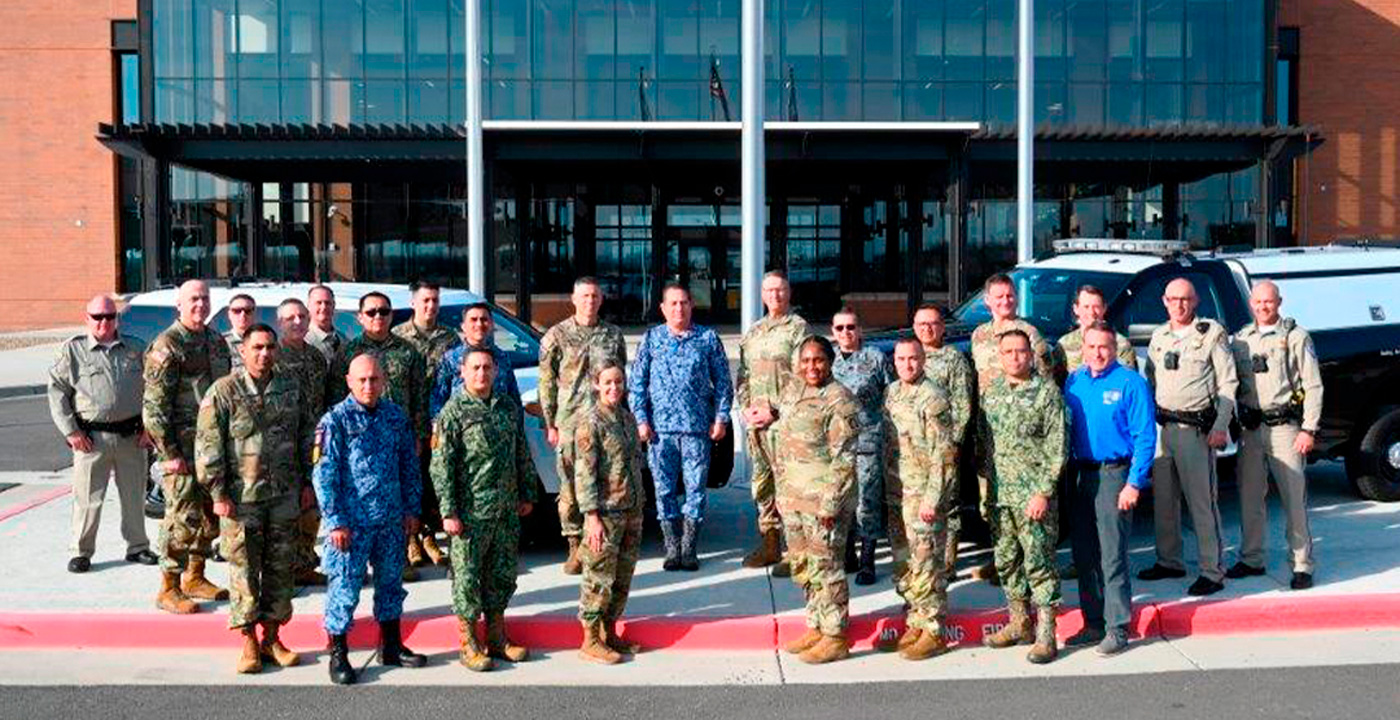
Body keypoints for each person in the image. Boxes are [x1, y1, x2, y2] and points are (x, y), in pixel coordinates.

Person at [195, 324, 315, 674]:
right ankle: (247, 639)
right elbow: (207, 446)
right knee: (244, 570)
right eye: (258, 348)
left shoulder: (291, 387)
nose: (265, 354)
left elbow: (308, 433)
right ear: (243, 351)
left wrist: (309, 480)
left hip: (284, 495)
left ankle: (272, 637)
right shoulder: (223, 391)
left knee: (280, 569)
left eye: (270, 348)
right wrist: (217, 493)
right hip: (240, 499)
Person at [314, 354, 427, 686]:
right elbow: (324, 474)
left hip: (391, 521)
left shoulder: (395, 416)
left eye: (374, 379)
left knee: (391, 585)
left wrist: (411, 509)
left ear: (383, 381)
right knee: (345, 589)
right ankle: (339, 653)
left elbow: (409, 465)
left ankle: (391, 646)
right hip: (351, 526)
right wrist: (335, 521)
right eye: (362, 379)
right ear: (349, 381)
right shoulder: (335, 421)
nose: (368, 385)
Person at [431, 349, 539, 672]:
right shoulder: (452, 413)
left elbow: (521, 450)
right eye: (475, 367)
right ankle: (468, 642)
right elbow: (442, 466)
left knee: (501, 575)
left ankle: (497, 636)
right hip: (470, 514)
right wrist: (448, 512)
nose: (482, 373)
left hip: (504, 509)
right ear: (462, 372)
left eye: (487, 368)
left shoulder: (506, 406)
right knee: (467, 578)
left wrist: (527, 492)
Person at [1139, 278, 1238, 596]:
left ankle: (1213, 570)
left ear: (1195, 302)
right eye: (1172, 299)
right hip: (1165, 429)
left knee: (1201, 502)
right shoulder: (1159, 336)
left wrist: (1220, 425)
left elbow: (1228, 383)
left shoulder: (1210, 334)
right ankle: (1169, 561)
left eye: (1185, 299)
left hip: (1197, 432)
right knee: (1164, 501)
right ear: (1164, 301)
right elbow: (1151, 380)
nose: (1179, 304)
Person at [1064, 322, 1156, 656]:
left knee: (1112, 555)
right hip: (1080, 475)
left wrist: (1134, 483)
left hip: (1114, 476)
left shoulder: (1130, 382)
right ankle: (1092, 623)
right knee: (1085, 555)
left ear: (1114, 349)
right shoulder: (1074, 381)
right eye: (1091, 347)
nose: (1097, 353)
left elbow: (1145, 436)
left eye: (1104, 347)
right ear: (1083, 348)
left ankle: (1117, 627)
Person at [47, 294, 156, 573]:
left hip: (132, 437)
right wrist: (71, 431)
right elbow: (58, 391)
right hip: (91, 440)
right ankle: (81, 551)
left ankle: (138, 546)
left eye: (109, 316)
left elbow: (153, 392)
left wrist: (150, 428)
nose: (104, 322)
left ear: (116, 318)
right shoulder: (74, 351)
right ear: (87, 319)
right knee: (87, 498)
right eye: (97, 317)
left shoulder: (135, 348)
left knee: (134, 496)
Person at [628, 283, 732, 572]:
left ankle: (689, 548)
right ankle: (672, 547)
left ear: (691, 306)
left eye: (684, 303)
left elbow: (723, 381)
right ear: (662, 308)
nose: (679, 308)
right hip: (660, 433)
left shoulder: (708, 338)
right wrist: (641, 419)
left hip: (696, 430)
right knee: (663, 490)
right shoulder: (651, 339)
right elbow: (637, 384)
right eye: (673, 303)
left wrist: (721, 418)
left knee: (695, 489)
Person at [978, 330, 1067, 664]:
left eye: (1020, 351)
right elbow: (985, 446)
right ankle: (1019, 622)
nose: (1014, 357)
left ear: (1031, 354)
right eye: (1008, 352)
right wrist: (987, 493)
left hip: (1033, 497)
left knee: (1039, 564)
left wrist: (1043, 491)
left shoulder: (1046, 392)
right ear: (999, 357)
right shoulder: (993, 392)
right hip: (1001, 495)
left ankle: (1046, 634)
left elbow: (1057, 447)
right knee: (1006, 560)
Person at [143, 279, 231, 614]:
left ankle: (195, 576)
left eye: (204, 299)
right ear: (179, 305)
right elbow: (153, 409)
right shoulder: (168, 345)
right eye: (193, 299)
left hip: (212, 451)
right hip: (180, 451)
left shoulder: (215, 340)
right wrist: (169, 455)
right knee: (181, 518)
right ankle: (168, 586)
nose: (200, 305)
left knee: (209, 517)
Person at [1229, 280, 1323, 590]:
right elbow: (1233, 384)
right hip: (1252, 430)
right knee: (1250, 498)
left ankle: (1302, 564)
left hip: (1285, 429)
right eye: (1257, 302)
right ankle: (1252, 558)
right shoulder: (1241, 339)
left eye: (1268, 302)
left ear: (1279, 302)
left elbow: (1312, 386)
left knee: (1293, 500)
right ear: (1251, 304)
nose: (1262, 307)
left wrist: (1309, 428)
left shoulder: (1295, 337)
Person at [329, 292, 428, 582]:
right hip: (358, 439)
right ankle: (357, 562)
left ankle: (403, 552)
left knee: (401, 492)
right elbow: (336, 396)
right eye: (371, 312)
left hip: (398, 436)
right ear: (360, 317)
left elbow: (420, 395)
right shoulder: (348, 353)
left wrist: (420, 434)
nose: (378, 317)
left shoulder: (408, 351)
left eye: (384, 312)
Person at [774, 336, 859, 665]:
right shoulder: (794, 391)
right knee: (805, 568)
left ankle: (836, 635)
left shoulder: (840, 401)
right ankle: (816, 625)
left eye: (818, 360)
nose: (812, 367)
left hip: (824, 503)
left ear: (830, 361)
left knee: (828, 568)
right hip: (793, 498)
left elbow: (844, 460)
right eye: (806, 361)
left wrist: (830, 505)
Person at [968, 274, 1055, 584]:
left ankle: (1022, 565)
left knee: (1022, 505)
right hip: (990, 432)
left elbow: (1044, 382)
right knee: (991, 502)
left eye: (1010, 296)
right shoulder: (978, 336)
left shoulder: (1030, 334)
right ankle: (1001, 558)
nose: (1005, 301)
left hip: (1021, 435)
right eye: (999, 297)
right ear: (987, 301)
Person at [539, 277, 627, 576]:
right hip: (571, 424)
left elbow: (619, 378)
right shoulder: (556, 335)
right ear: (574, 299)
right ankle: (575, 544)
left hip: (605, 424)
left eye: (595, 296)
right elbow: (546, 382)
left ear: (601, 300)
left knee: (605, 481)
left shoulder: (612, 335)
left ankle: (600, 540)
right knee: (569, 488)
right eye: (584, 296)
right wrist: (550, 423)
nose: (590, 301)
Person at [881, 338, 956, 661]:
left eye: (913, 358)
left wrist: (933, 499)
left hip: (923, 494)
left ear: (923, 359)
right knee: (904, 563)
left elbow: (944, 455)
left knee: (927, 563)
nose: (907, 364)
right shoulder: (891, 393)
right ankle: (915, 619)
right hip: (897, 493)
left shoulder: (934, 397)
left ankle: (934, 630)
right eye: (901, 358)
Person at [737, 270, 814, 572]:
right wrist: (746, 409)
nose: (775, 296)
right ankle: (769, 545)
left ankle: (796, 553)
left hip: (785, 423)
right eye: (769, 290)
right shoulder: (754, 331)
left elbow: (805, 376)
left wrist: (775, 410)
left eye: (780, 290)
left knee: (789, 487)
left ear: (789, 293)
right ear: (762, 294)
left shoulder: (798, 329)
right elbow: (743, 375)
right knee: (763, 485)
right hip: (757, 424)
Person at [576, 360, 647, 663]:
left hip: (631, 510)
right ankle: (590, 639)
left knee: (622, 577)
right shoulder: (591, 422)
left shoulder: (627, 419)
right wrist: (591, 516)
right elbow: (585, 473)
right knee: (599, 577)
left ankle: (610, 633)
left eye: (618, 382)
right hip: (604, 514)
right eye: (607, 383)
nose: (614, 388)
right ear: (596, 385)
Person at [392, 281, 461, 569]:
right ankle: (410, 538)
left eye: (434, 300)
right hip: (404, 423)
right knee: (406, 482)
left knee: (433, 482)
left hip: (439, 424)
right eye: (425, 301)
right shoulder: (397, 337)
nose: (430, 306)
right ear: (413, 303)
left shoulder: (450, 338)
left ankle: (429, 535)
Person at [829, 306, 893, 585]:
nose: (846, 333)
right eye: (840, 328)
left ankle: (868, 561)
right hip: (837, 445)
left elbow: (892, 395)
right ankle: (848, 555)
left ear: (860, 330)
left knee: (867, 501)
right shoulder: (827, 360)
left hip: (869, 440)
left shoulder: (875, 358)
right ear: (833, 332)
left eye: (851, 327)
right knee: (842, 501)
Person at [911, 304, 974, 580]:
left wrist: (956, 442)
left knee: (948, 503)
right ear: (914, 327)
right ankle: (922, 557)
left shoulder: (954, 359)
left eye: (933, 323)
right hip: (914, 447)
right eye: (922, 324)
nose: (927, 328)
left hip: (944, 445)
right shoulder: (910, 356)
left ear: (942, 327)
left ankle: (947, 562)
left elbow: (963, 404)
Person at [275, 299, 330, 586]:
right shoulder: (272, 356)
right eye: (289, 318)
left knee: (312, 507)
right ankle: (281, 570)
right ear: (280, 322)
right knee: (284, 512)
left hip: (313, 444)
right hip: (280, 445)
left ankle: (305, 563)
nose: (297, 322)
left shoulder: (317, 358)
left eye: (301, 316)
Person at [430, 302, 520, 419]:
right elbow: (437, 399)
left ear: (492, 324)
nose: (479, 324)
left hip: (498, 428)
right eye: (473, 319)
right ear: (463, 326)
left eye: (484, 319)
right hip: (463, 429)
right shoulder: (450, 359)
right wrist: (438, 428)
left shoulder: (501, 357)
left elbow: (513, 397)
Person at [1053, 285, 1138, 379]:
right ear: (1076, 309)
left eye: (1096, 307)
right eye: (1086, 307)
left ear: (1104, 308)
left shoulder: (1120, 344)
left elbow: (1129, 380)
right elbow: (1056, 383)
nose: (1091, 312)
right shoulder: (1064, 345)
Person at [306, 285, 345, 363]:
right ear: (308, 306)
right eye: (318, 303)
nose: (323, 307)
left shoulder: (344, 340)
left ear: (334, 306)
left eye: (327, 303)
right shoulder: (303, 341)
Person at [223, 294, 257, 371]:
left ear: (254, 313)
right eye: (237, 311)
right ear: (229, 314)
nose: (243, 315)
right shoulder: (219, 342)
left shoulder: (266, 342)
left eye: (247, 311)